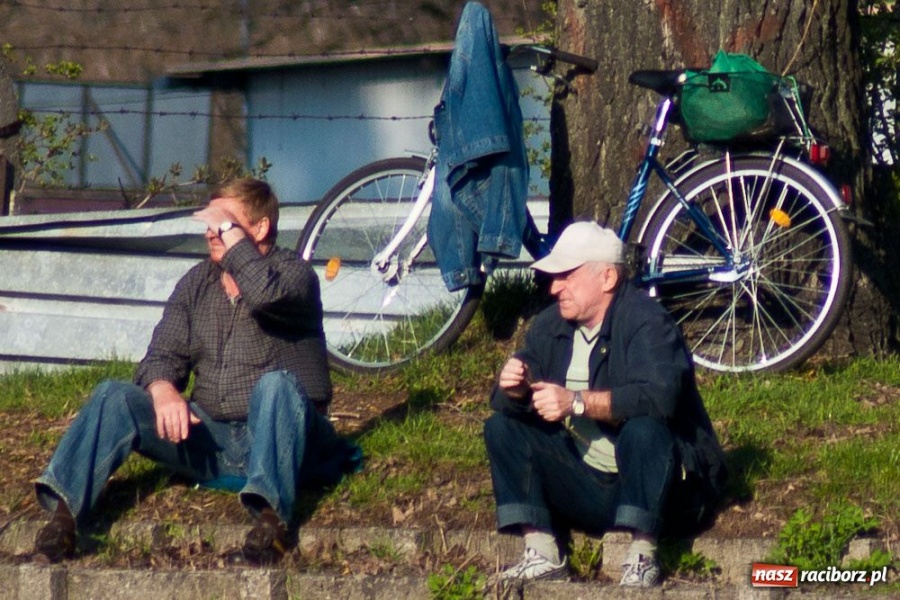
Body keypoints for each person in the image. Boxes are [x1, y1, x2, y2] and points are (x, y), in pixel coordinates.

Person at [32, 178, 358, 564]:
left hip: (290, 436)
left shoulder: (294, 275)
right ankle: (64, 519)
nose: (209, 232)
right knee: (113, 395)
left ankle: (272, 524)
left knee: (276, 385)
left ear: (259, 228)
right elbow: (159, 355)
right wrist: (162, 389)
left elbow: (264, 294)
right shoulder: (196, 283)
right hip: (214, 438)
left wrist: (233, 241)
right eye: (209, 222)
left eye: (223, 223)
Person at [484, 221, 727, 588]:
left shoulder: (648, 322)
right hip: (590, 487)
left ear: (608, 278)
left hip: (669, 491)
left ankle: (643, 554)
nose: (555, 287)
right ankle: (541, 549)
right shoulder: (550, 325)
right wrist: (514, 390)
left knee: (644, 428)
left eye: (566, 275)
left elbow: (659, 398)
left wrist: (576, 402)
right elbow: (512, 397)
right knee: (501, 427)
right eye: (554, 277)